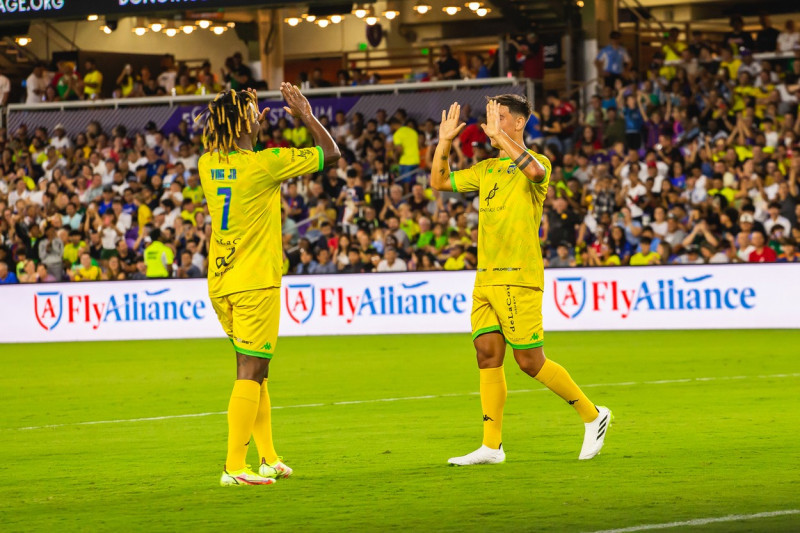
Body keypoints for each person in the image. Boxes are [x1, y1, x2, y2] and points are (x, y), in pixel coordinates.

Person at [430, 95, 611, 466]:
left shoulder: (538, 161)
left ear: (519, 123)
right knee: (487, 356)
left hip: (518, 277)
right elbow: (439, 181)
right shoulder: (485, 170)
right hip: (485, 279)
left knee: (529, 361)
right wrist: (445, 141)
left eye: (499, 117)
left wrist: (502, 139)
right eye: (489, 117)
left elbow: (535, 174)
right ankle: (491, 446)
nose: (490, 123)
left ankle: (593, 415)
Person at [198, 84, 339, 486]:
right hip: (255, 281)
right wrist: (306, 116)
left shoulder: (207, 162)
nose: (262, 115)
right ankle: (233, 467)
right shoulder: (266, 163)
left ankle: (268, 457)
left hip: (222, 280)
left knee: (257, 369)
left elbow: (233, 152)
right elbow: (331, 154)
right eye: (255, 110)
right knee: (251, 368)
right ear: (245, 121)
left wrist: (245, 120)